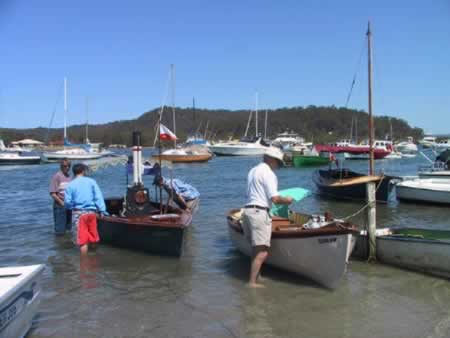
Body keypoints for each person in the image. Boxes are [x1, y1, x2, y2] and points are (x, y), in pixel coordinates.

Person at [242, 147, 293, 288]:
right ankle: (252, 283)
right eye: (278, 162)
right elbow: (275, 199)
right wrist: (288, 200)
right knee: (262, 252)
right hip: (259, 213)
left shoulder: (253, 171)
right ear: (271, 159)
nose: (278, 166)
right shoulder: (268, 173)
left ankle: (258, 276)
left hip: (247, 211)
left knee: (256, 249)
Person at [64, 163, 107, 255]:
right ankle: (94, 259)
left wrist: (71, 207)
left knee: (83, 241)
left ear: (74, 172)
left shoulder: (70, 185)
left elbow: (67, 202)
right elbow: (98, 197)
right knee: (93, 237)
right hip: (92, 213)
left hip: (79, 214)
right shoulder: (91, 181)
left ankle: (84, 262)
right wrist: (102, 210)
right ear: (83, 171)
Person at [49, 158, 72, 235]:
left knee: (69, 229)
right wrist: (61, 203)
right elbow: (52, 193)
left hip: (69, 205)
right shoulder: (57, 176)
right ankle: (60, 245)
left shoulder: (69, 176)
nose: (67, 168)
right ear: (61, 166)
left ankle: (67, 245)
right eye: (65, 166)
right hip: (59, 205)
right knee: (60, 230)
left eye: (69, 166)